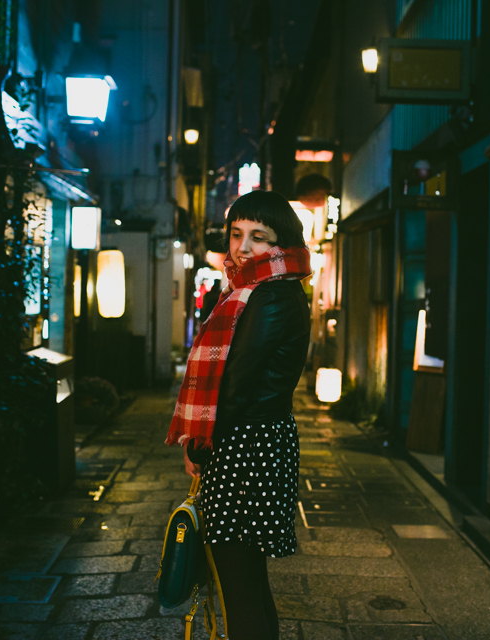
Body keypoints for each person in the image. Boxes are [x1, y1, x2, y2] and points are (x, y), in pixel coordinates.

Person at [165, 190, 311, 640]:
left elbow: (238, 384)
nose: (243, 247)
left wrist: (201, 445)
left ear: (280, 243)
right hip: (259, 443)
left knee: (239, 587)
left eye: (258, 237)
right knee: (248, 583)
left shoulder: (269, 296)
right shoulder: (259, 290)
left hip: (246, 448)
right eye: (236, 234)